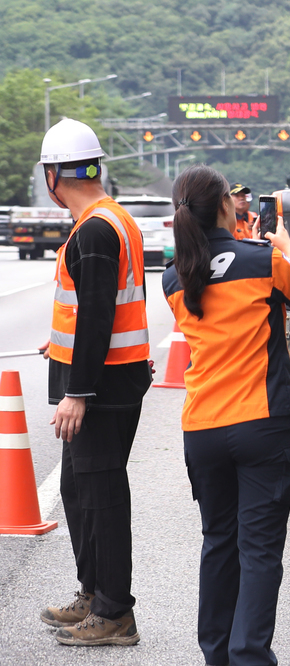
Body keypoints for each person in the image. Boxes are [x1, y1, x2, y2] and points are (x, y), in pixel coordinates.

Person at [163, 165, 290, 666]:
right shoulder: (262, 259)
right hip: (262, 423)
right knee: (260, 551)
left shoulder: (175, 277)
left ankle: (217, 655)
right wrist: (287, 249)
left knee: (218, 543)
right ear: (227, 207)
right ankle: (249, 655)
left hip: (203, 428)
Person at [37, 118, 150, 647]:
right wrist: (59, 346)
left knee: (101, 497)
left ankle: (114, 611)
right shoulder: (110, 220)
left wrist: (77, 392)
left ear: (53, 176)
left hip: (101, 390)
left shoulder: (97, 229)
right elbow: (91, 310)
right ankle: (93, 592)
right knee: (78, 489)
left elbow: (100, 315)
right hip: (107, 378)